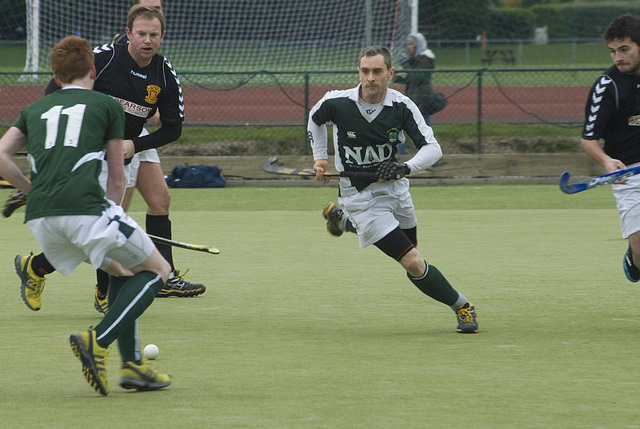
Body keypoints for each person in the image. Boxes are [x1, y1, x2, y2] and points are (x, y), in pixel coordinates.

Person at [0, 35, 172, 395]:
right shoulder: (105, 105)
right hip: (86, 211)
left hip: (43, 220)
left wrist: (32, 191)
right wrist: (111, 213)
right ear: (93, 70)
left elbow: (2, 154)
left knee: (123, 271)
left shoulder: (36, 109)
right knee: (158, 271)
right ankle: (99, 340)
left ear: (57, 76)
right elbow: (117, 173)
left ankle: (134, 368)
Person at [14, 4, 206, 315]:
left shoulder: (164, 73)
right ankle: (94, 289)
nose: (147, 41)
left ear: (163, 36)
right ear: (128, 34)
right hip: (92, 155)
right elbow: (56, 90)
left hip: (127, 148)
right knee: (104, 224)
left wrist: (135, 144)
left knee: (149, 205)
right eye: (141, 34)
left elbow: (174, 127)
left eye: (153, 35)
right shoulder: (104, 58)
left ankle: (163, 275)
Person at [309, 45, 478, 333]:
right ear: (359, 72)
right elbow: (315, 119)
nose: (370, 78)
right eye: (365, 71)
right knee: (413, 262)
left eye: (377, 71)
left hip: (396, 191)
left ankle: (344, 222)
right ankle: (462, 306)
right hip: (359, 196)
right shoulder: (337, 102)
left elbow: (432, 148)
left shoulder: (402, 106)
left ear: (390, 73)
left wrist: (404, 168)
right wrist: (320, 158)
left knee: (413, 255)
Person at [580, 14, 640, 283]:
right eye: (613, 51)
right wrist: (606, 161)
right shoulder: (608, 86)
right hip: (629, 176)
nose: (617, 57)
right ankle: (633, 257)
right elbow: (589, 139)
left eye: (624, 49)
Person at [393, 33, 437, 155]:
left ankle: (431, 159)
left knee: (425, 132)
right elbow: (410, 78)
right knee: (401, 128)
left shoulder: (426, 58)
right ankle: (400, 157)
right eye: (407, 44)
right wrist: (398, 79)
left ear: (418, 45)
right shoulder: (416, 58)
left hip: (422, 100)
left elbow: (417, 77)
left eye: (411, 44)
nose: (409, 47)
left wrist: (405, 64)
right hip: (412, 100)